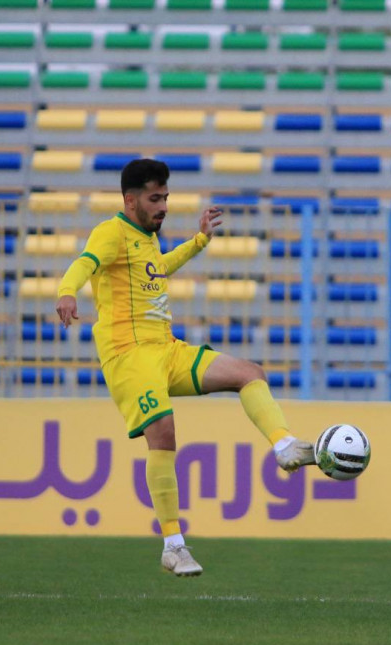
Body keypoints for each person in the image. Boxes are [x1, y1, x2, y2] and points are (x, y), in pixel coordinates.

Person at [55, 159, 315, 577]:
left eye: (166, 198)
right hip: (129, 355)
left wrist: (198, 241)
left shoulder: (146, 240)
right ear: (130, 200)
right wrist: (68, 292)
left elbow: (158, 270)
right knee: (163, 431)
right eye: (155, 199)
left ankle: (285, 446)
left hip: (166, 349)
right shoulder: (111, 233)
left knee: (250, 372)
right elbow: (85, 263)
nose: (163, 207)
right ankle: (173, 546)